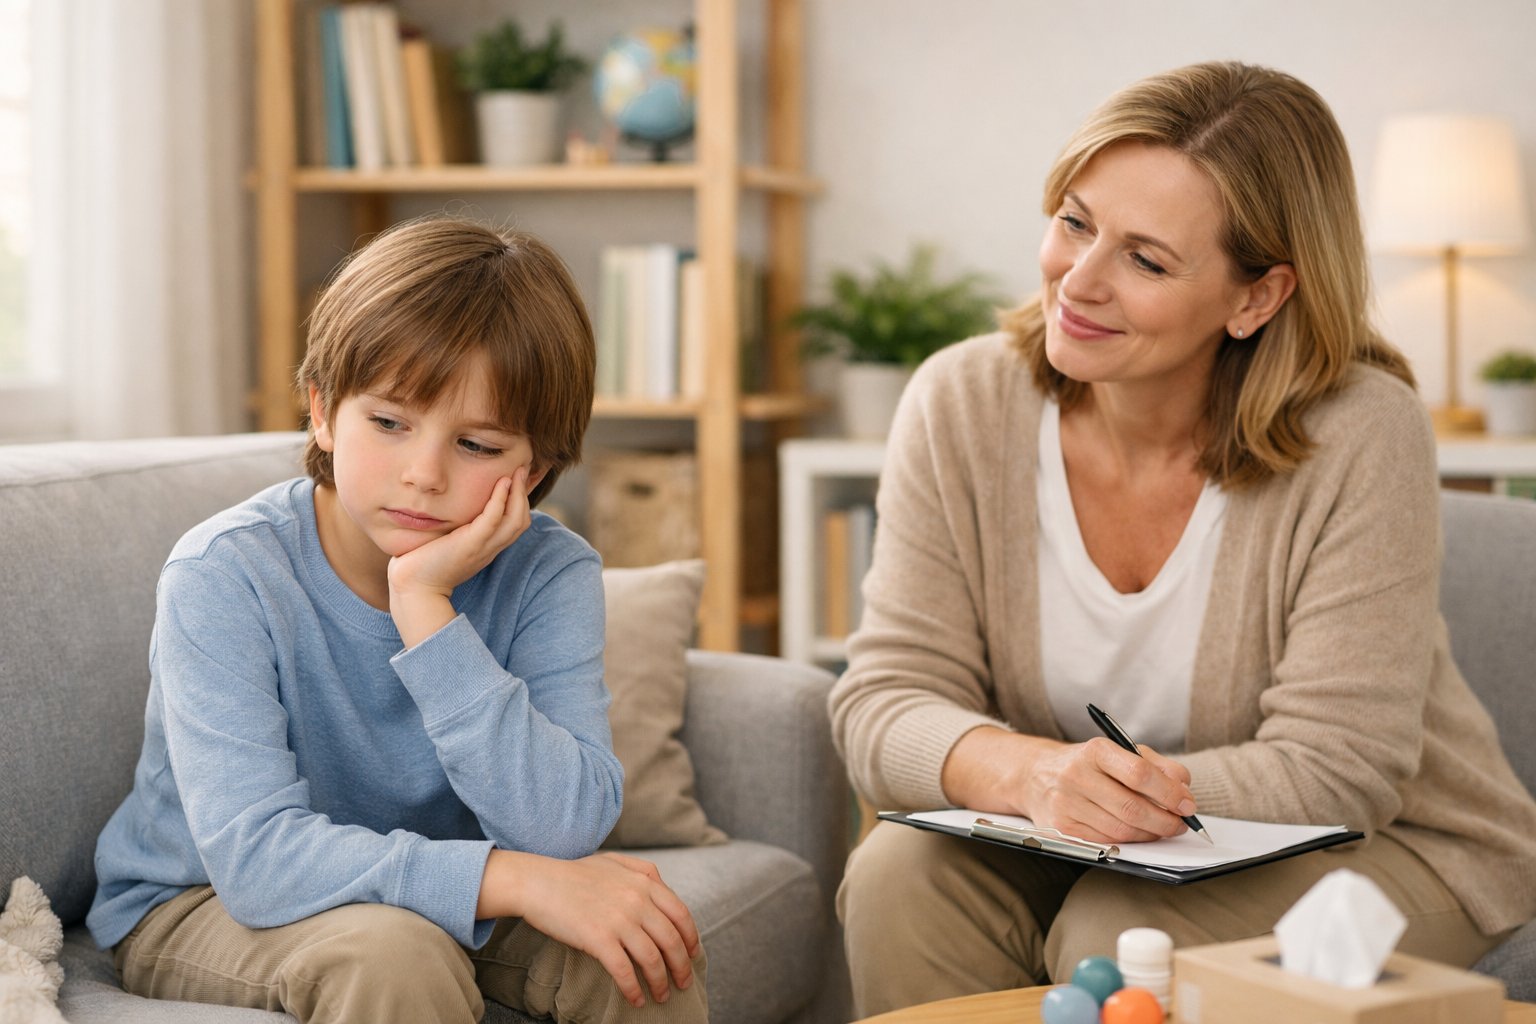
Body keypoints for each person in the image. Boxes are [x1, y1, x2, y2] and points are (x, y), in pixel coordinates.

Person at [830, 61, 1536, 1015]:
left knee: (1119, 931)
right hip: (1075, 841)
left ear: (1257, 297)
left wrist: (1107, 801)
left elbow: (1339, 768)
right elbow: (883, 696)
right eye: (1075, 222)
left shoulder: (1362, 431)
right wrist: (1035, 775)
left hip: (1390, 845)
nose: (1077, 282)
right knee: (898, 879)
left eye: (1146, 260)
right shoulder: (961, 401)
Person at [87, 217, 708, 1024]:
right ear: (322, 411)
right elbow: (255, 859)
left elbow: (564, 826)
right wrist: (511, 881)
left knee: (641, 952)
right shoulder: (225, 574)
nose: (423, 475)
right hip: (203, 900)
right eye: (388, 423)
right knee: (395, 957)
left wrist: (427, 611)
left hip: (429, 885)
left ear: (539, 467)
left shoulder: (552, 573)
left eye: (477, 445)